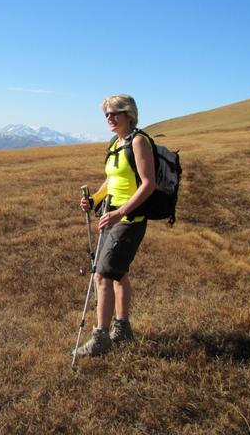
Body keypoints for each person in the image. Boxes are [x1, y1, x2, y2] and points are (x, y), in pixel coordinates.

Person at [74, 94, 156, 357]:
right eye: (106, 114)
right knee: (118, 273)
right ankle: (122, 330)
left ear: (128, 114)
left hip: (129, 219)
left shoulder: (139, 141)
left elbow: (148, 183)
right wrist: (94, 199)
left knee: (102, 275)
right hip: (110, 215)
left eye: (114, 113)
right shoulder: (116, 143)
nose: (109, 118)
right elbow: (111, 181)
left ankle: (101, 337)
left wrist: (121, 212)